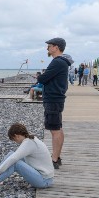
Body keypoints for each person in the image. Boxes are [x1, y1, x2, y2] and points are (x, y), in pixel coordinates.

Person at [0, 123, 54, 194]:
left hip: (44, 181)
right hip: (43, 176)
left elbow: (13, 159)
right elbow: (13, 156)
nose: (15, 142)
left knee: (15, 162)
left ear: (16, 136)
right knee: (11, 154)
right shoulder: (30, 139)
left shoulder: (28, 143)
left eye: (14, 139)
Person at [37, 37, 73, 170]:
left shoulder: (58, 62)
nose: (47, 48)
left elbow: (44, 78)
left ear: (56, 47)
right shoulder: (61, 62)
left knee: (55, 130)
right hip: (56, 99)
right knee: (57, 128)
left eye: (49, 46)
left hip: (53, 99)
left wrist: (40, 77)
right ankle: (56, 157)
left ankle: (54, 160)